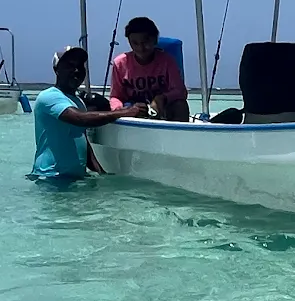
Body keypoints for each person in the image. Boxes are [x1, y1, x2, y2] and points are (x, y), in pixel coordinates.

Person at [32, 46, 127, 180]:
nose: (76, 70)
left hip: (75, 177)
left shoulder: (78, 102)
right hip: (50, 177)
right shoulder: (48, 96)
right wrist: (124, 112)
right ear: (57, 70)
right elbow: (81, 119)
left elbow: (82, 139)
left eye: (80, 66)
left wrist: (101, 173)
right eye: (70, 66)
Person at [110, 16, 190, 120]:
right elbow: (116, 96)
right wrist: (120, 110)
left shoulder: (167, 61)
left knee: (181, 105)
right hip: (133, 109)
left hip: (161, 108)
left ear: (155, 40)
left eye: (145, 42)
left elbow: (180, 91)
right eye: (135, 43)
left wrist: (162, 98)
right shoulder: (120, 63)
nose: (141, 48)